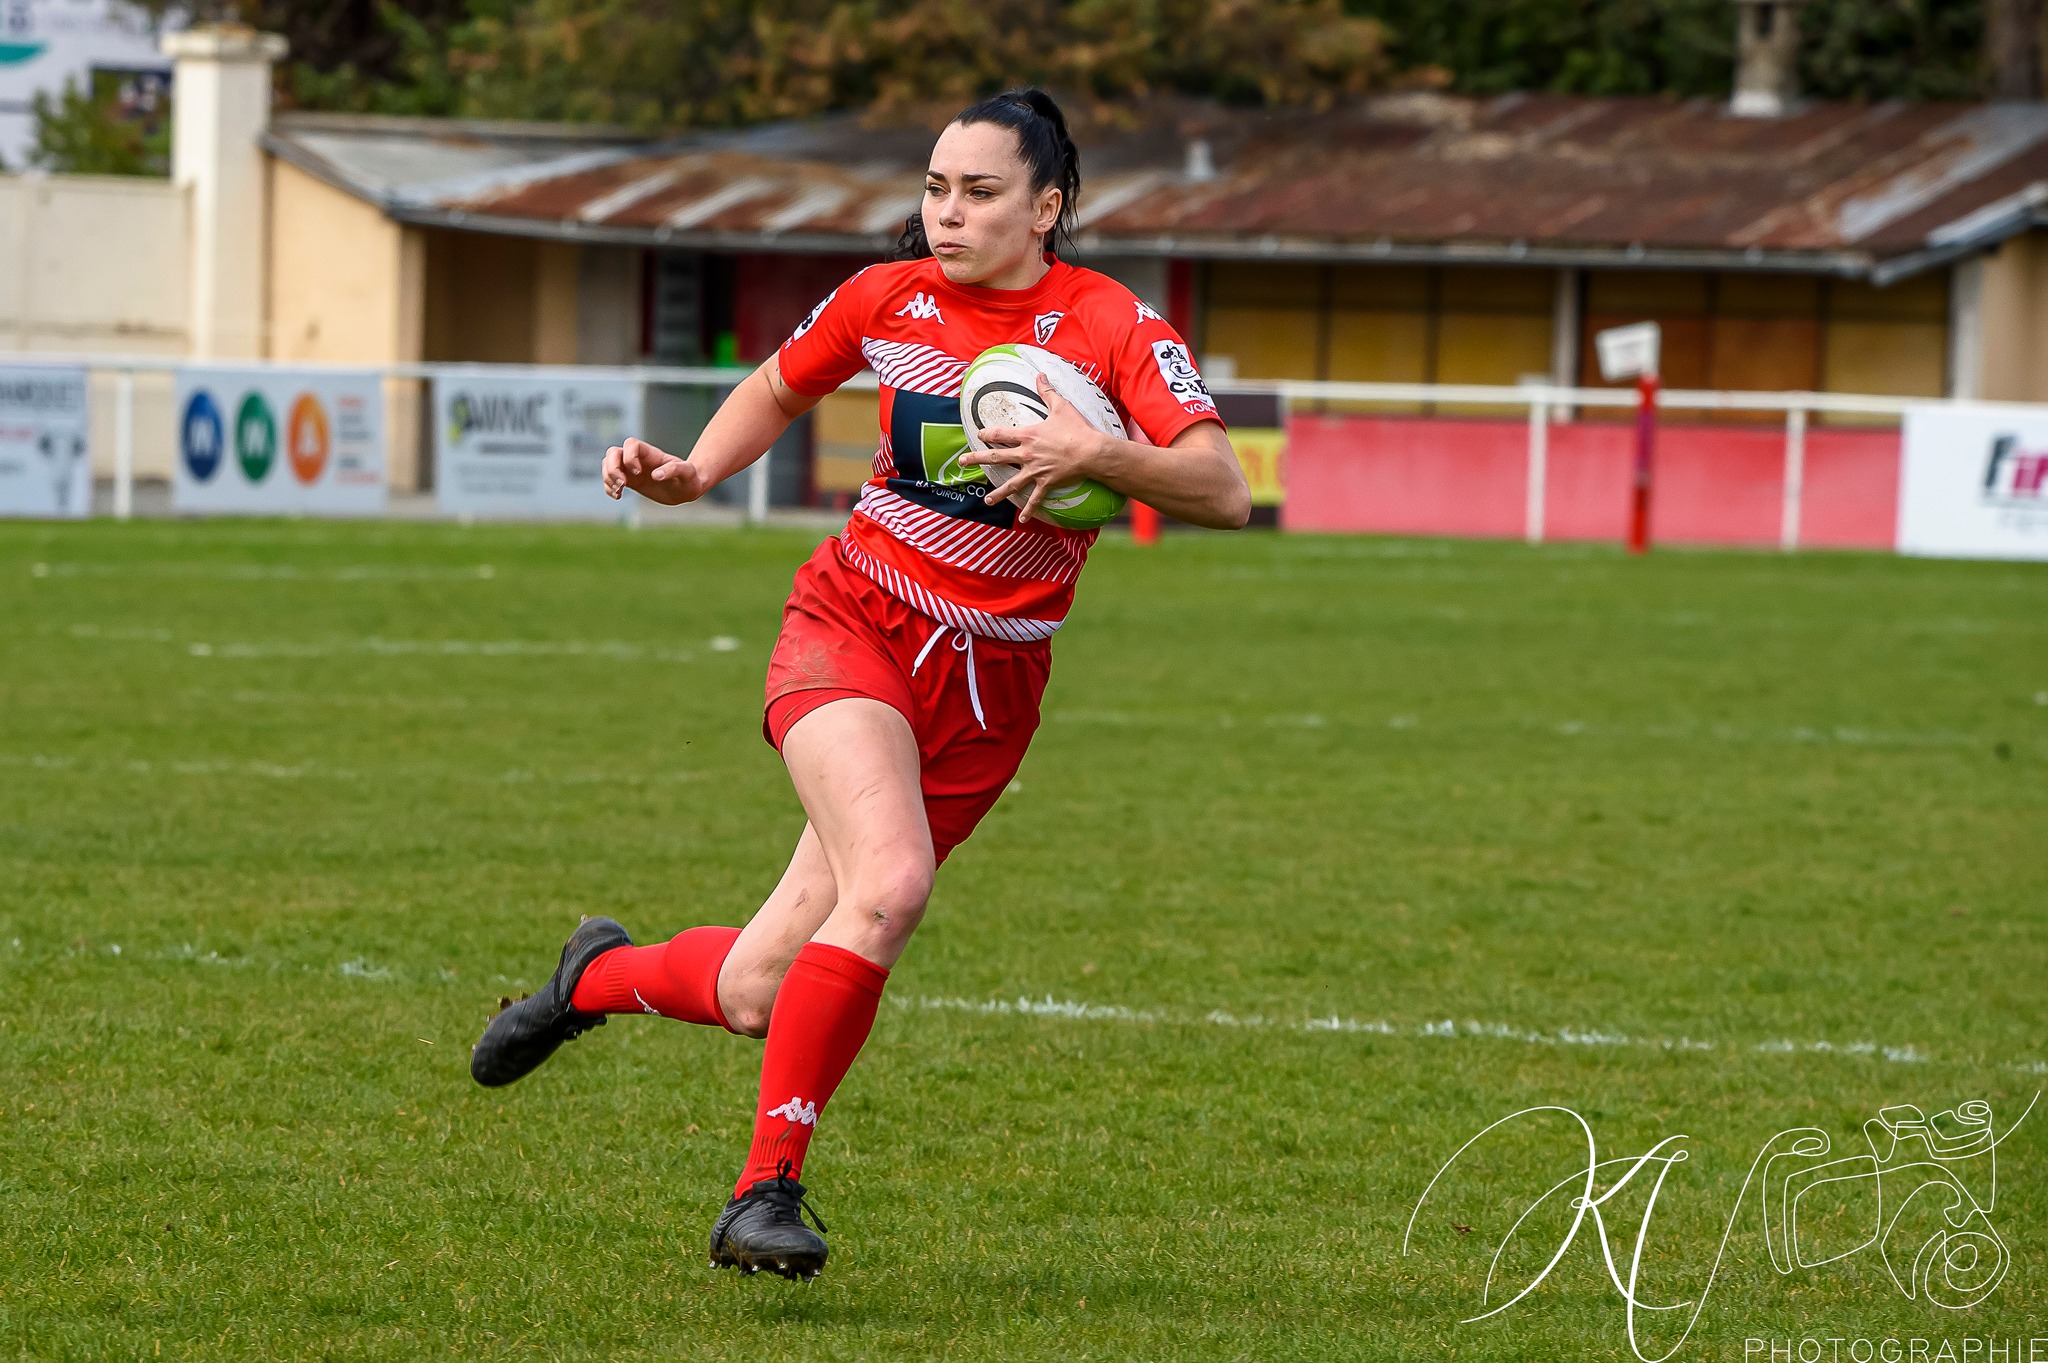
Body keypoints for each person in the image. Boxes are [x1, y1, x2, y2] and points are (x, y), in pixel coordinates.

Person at [469, 87, 1250, 1282]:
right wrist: (693, 471)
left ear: (1047, 207)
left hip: (992, 687)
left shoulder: (1110, 326)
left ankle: (596, 976)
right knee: (886, 888)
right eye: (934, 188)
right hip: (856, 626)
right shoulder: (890, 298)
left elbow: (1221, 488)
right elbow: (783, 382)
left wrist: (1097, 453)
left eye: (979, 193)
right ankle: (761, 1193)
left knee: (752, 988)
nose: (946, 213)